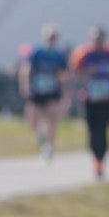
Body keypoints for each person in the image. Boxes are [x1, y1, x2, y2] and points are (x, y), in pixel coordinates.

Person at [69, 25, 109, 179]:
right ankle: (95, 158)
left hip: (107, 99)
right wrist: (87, 72)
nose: (97, 41)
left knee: (103, 130)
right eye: (95, 38)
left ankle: (100, 162)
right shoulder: (83, 53)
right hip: (90, 99)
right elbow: (74, 72)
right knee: (92, 131)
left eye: (100, 38)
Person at [21, 25, 71, 160]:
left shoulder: (60, 55)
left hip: (53, 91)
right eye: (49, 37)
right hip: (37, 90)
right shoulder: (37, 52)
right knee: (32, 118)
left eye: (53, 37)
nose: (51, 40)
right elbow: (27, 69)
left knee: (53, 119)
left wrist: (63, 81)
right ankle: (41, 134)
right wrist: (25, 85)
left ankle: (49, 148)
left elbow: (66, 74)